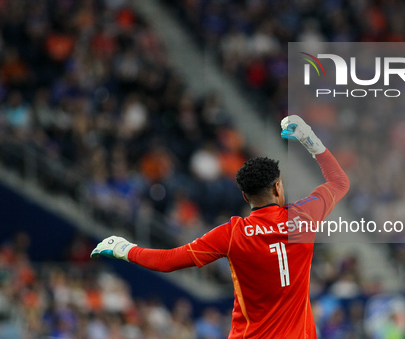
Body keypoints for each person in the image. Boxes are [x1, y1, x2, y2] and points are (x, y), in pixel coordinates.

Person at [91, 115, 350, 338]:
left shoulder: (231, 234)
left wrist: (124, 249)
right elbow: (339, 182)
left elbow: (168, 261)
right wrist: (309, 140)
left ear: (245, 197)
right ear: (278, 187)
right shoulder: (304, 216)